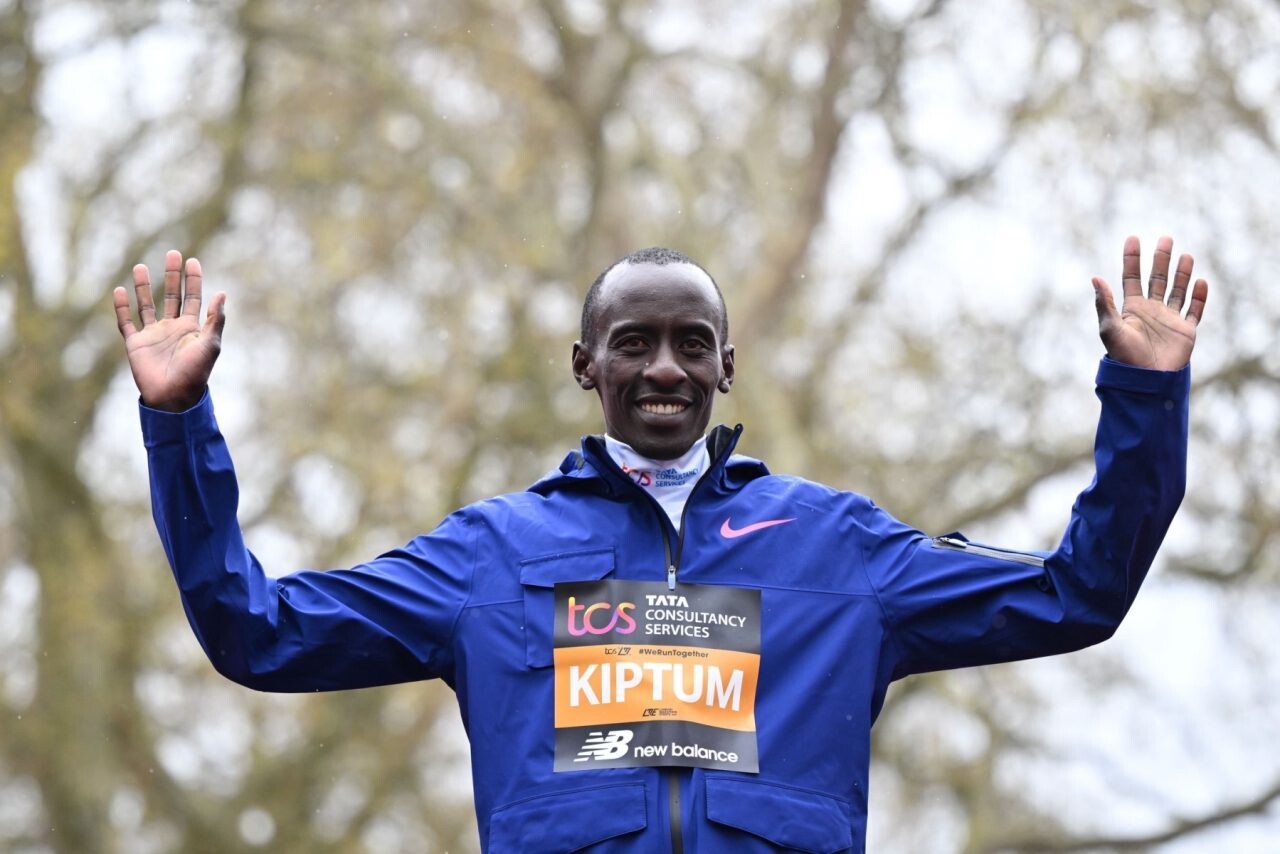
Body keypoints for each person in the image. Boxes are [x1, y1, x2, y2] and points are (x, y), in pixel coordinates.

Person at [113, 237, 1208, 853]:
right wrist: (178, 421)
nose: (665, 369)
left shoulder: (838, 550)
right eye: (632, 343)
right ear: (584, 364)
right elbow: (259, 632)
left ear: (727, 366)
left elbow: (1077, 593)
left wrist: (1144, 395)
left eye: (692, 343)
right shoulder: (490, 555)